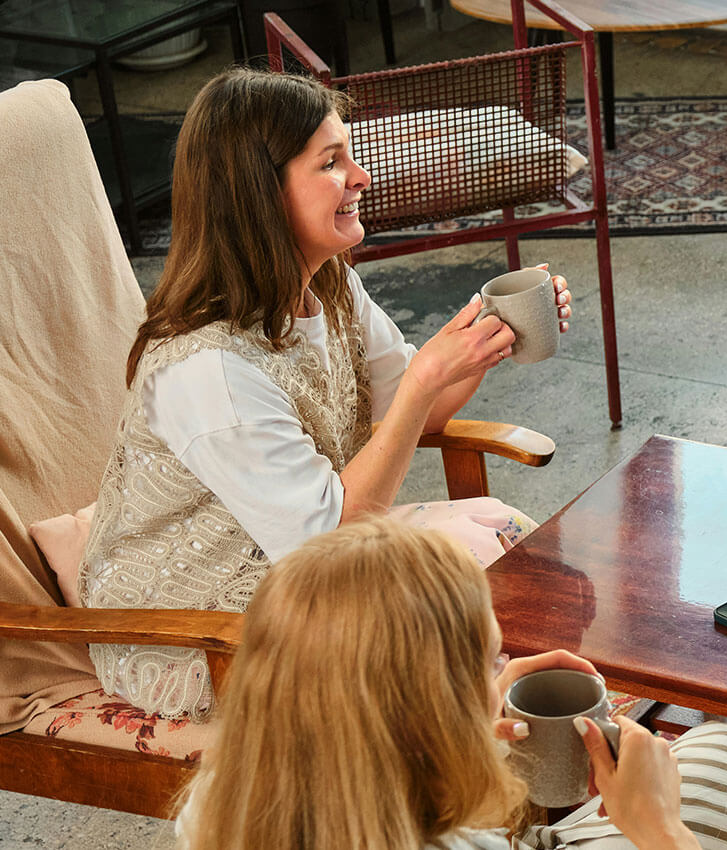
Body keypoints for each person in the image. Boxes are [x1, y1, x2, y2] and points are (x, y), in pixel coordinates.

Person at [78, 68, 570, 719]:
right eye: (331, 163)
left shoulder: (329, 283)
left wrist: (484, 341)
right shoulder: (207, 369)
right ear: (260, 194)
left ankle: (550, 735)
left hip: (304, 560)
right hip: (203, 628)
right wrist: (425, 377)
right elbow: (328, 540)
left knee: (505, 543)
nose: (360, 176)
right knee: (434, 634)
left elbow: (416, 410)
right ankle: (510, 769)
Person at [177, 518, 727, 850]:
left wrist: (466, 721)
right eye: (488, 661)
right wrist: (657, 828)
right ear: (416, 715)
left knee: (724, 743)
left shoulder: (227, 804)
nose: (504, 673)